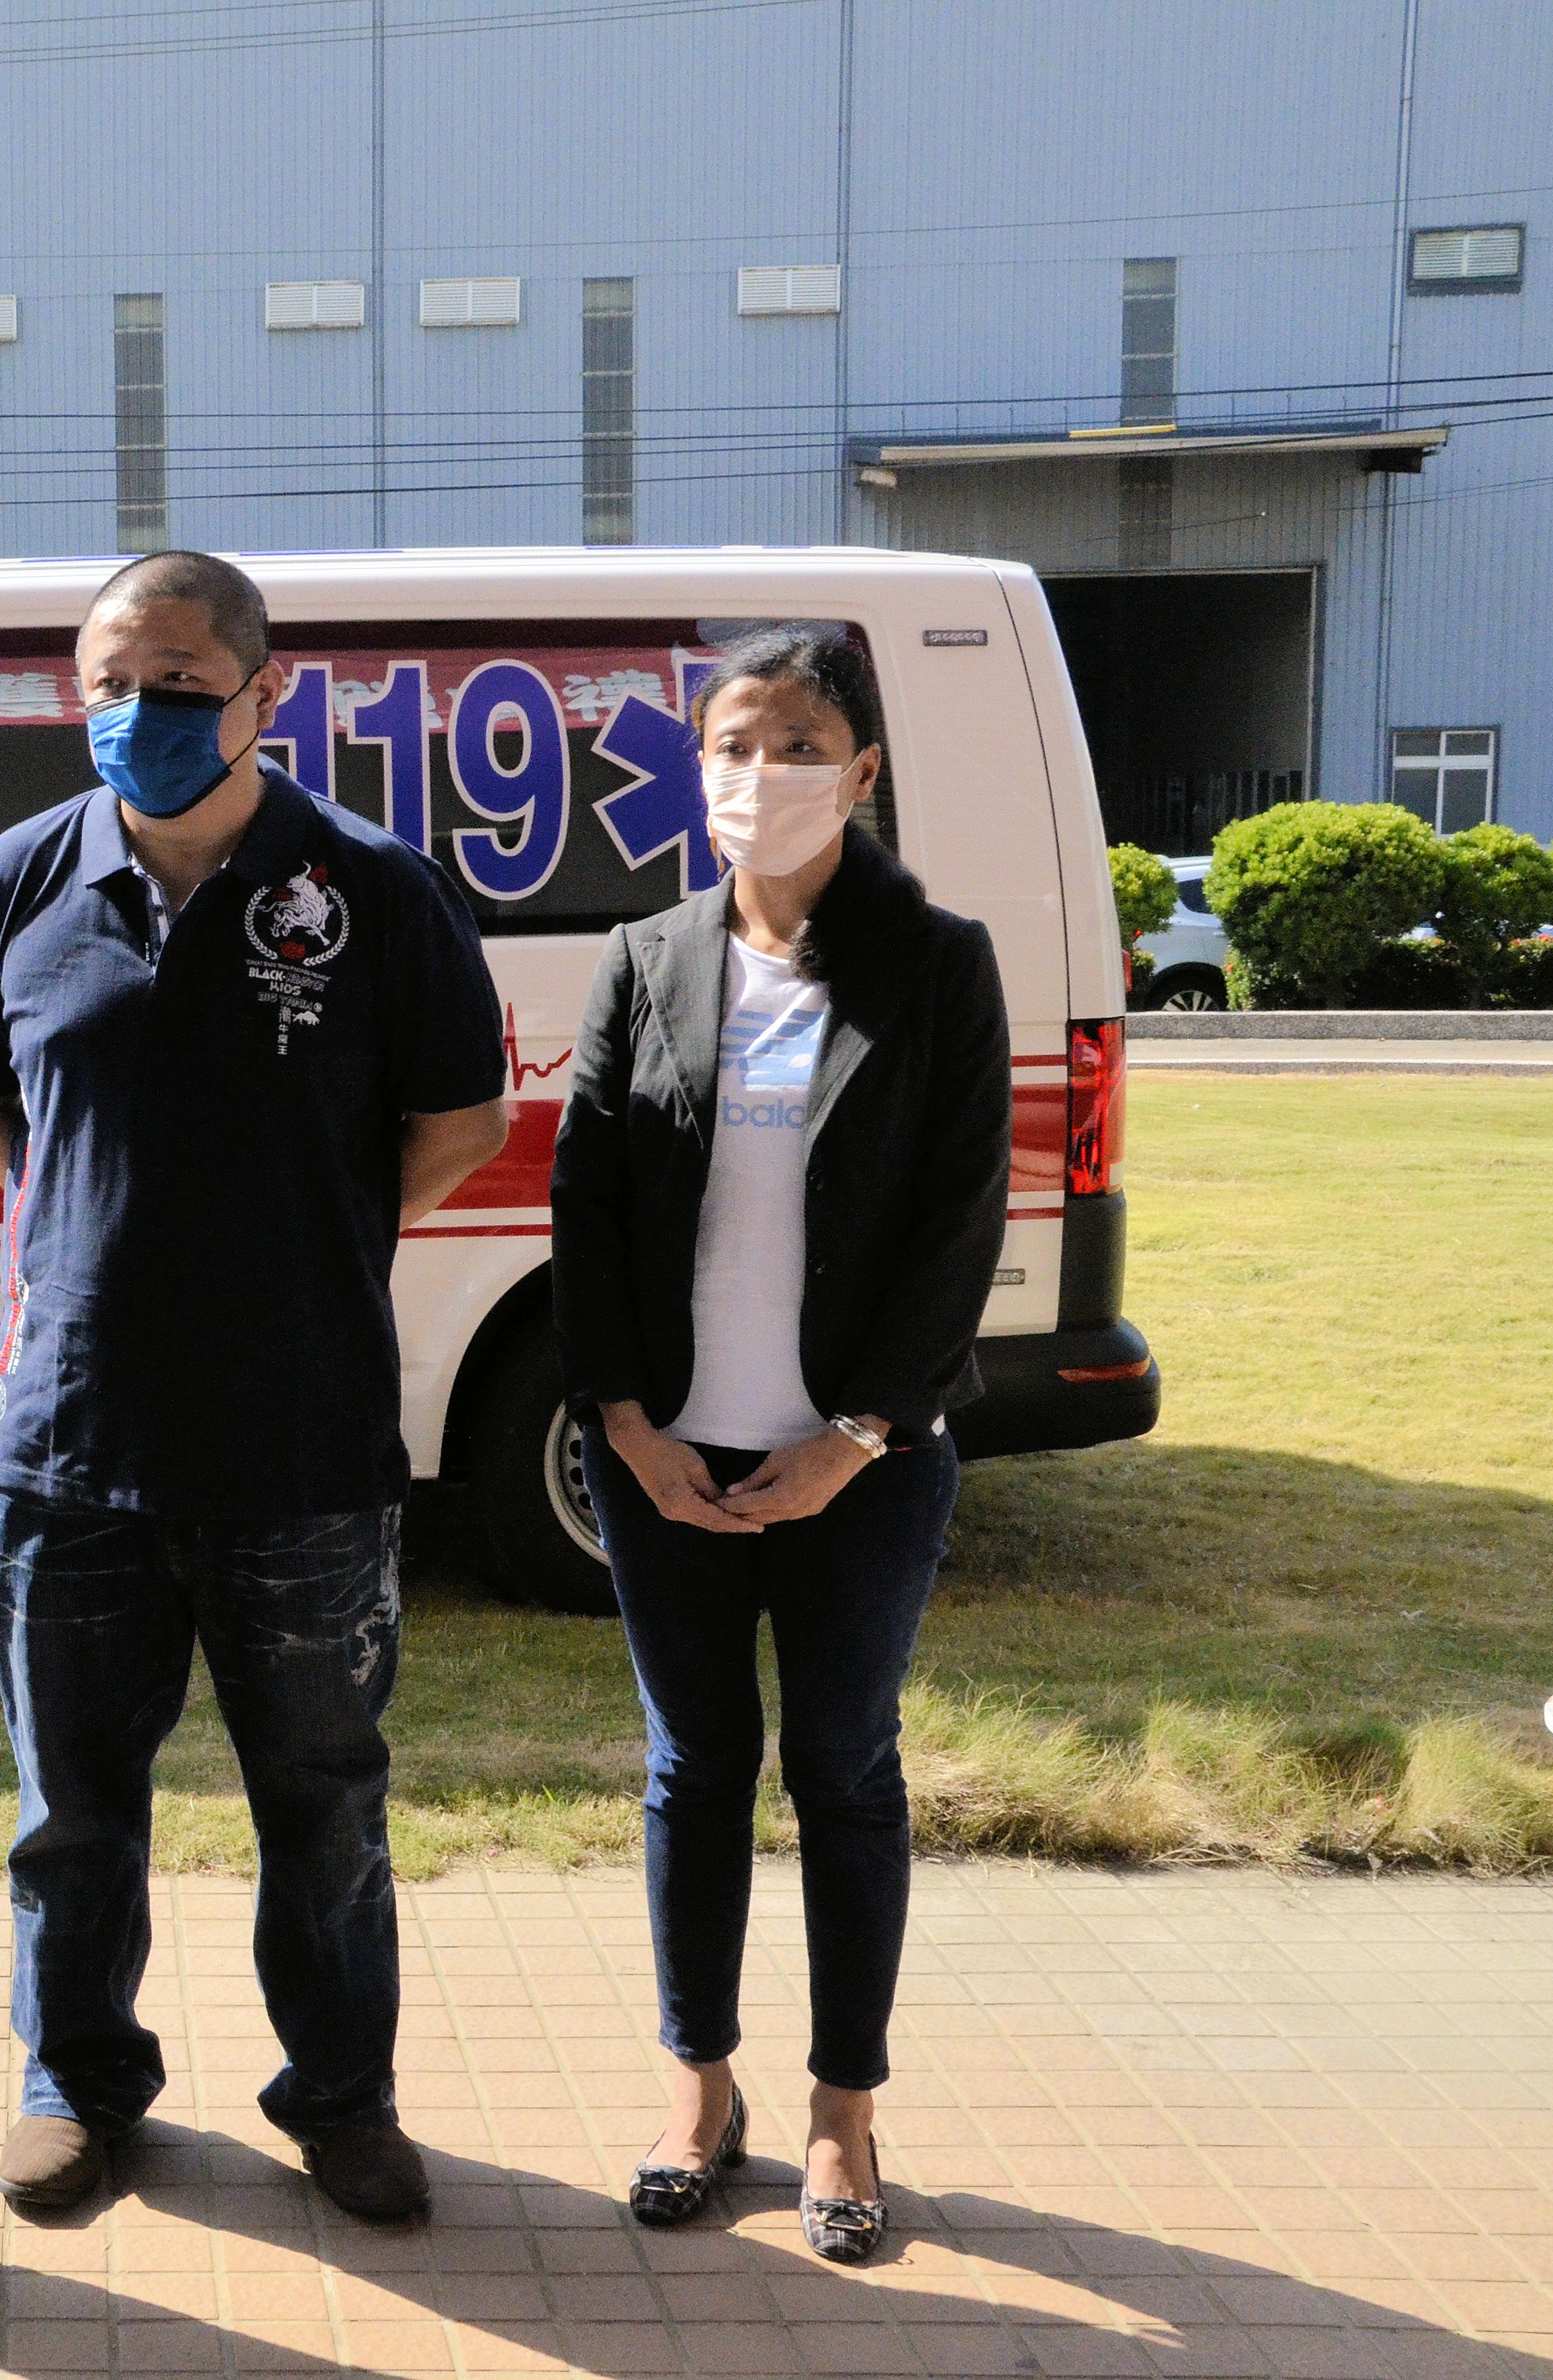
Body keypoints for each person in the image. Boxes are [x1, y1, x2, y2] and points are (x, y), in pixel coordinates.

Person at [0, 553, 510, 2224]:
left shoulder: (370, 887)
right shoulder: (16, 879)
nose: (141, 714)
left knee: (322, 1805)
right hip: (69, 1442)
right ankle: (75, 2081)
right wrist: (100, 1226)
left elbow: (460, 1118)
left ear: (265, 692)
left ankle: (340, 2096)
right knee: (70, 1812)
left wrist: (312, 1233)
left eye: (179, 684)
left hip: (302, 1444)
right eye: (110, 685)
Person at [547, 626, 1011, 2266]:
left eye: (801, 744)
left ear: (862, 771)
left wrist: (857, 1434)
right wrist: (622, 1420)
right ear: (699, 771)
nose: (765, 775)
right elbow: (587, 1203)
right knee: (693, 1767)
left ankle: (841, 2114)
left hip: (858, 1463)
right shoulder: (646, 956)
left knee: (844, 1769)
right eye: (734, 745)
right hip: (667, 1456)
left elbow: (963, 1220)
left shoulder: (938, 964)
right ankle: (700, 2092)